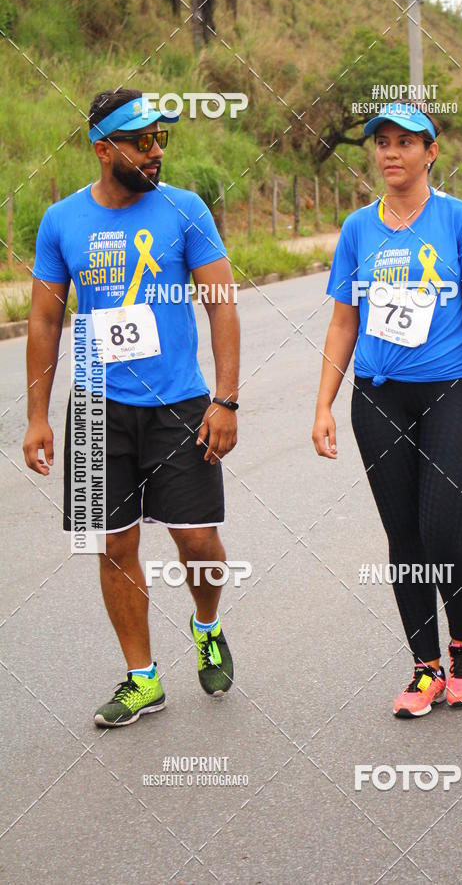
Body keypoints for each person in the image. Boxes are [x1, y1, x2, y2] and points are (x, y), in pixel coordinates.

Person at [23, 89, 240, 727]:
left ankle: (207, 624)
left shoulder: (186, 209)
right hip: (94, 405)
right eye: (140, 142)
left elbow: (222, 303)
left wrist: (225, 398)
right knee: (113, 544)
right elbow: (43, 318)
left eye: (159, 140)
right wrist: (37, 414)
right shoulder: (62, 221)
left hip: (179, 403)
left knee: (197, 539)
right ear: (103, 149)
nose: (154, 152)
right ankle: (141, 678)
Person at [313, 102, 462, 718]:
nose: (391, 152)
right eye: (382, 142)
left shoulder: (458, 220)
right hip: (378, 395)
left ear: (431, 152)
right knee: (405, 538)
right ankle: (424, 669)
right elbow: (344, 321)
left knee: (445, 530)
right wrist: (325, 403)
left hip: (450, 391)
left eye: (405, 142)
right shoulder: (356, 230)